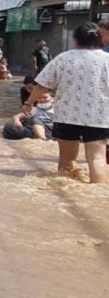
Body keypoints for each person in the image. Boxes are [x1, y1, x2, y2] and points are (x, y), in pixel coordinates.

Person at [26, 22, 109, 183]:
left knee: (66, 160)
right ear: (99, 39)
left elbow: (41, 86)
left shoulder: (63, 58)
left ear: (75, 40)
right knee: (97, 159)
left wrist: (28, 103)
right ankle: (97, 194)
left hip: (67, 116)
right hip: (98, 117)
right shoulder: (107, 60)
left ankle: (64, 189)